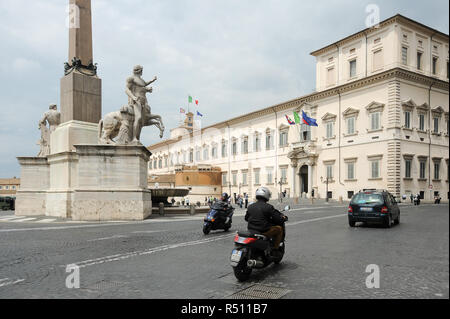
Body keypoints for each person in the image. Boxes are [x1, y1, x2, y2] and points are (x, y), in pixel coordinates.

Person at [245, 187, 287, 257]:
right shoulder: (268, 207)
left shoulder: (250, 206)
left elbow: (246, 218)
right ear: (266, 195)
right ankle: (275, 249)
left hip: (251, 230)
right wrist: (283, 218)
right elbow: (277, 219)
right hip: (263, 231)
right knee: (279, 229)